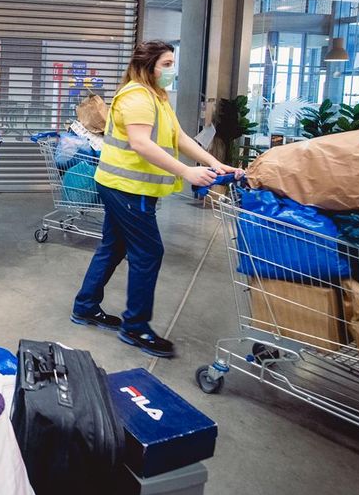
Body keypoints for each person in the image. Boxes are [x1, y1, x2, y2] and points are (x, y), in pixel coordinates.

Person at [72, 40, 241, 358]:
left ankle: (85, 306)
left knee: (114, 247)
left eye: (172, 63)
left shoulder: (155, 96)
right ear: (148, 65)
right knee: (149, 252)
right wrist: (188, 173)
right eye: (166, 64)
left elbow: (178, 137)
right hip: (127, 187)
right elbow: (140, 143)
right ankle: (135, 327)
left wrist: (213, 163)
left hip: (127, 185)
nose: (171, 70)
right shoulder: (137, 97)